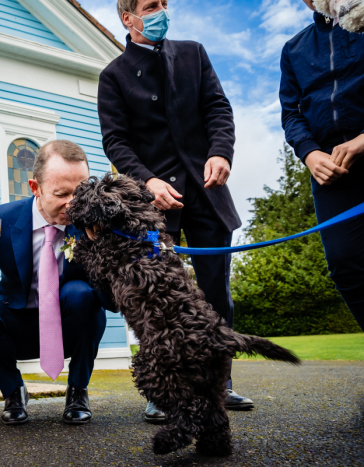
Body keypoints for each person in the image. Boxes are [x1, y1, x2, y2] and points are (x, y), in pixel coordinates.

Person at [98, 0, 253, 423]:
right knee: (155, 299)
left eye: (164, 3)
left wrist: (221, 152)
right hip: (151, 208)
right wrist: (147, 182)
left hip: (207, 192)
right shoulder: (112, 76)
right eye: (151, 5)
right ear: (128, 18)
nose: (161, 10)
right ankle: (163, 389)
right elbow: (117, 142)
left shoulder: (193, 52)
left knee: (215, 293)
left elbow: (218, 109)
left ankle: (220, 384)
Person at [0, 140, 114, 426]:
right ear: (35, 187)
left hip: (70, 325)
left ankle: (78, 391)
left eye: (81, 192)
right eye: (62, 194)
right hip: (18, 324)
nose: (73, 203)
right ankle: (14, 392)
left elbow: (111, 304)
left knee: (82, 294)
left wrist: (102, 249)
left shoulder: (93, 224)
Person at [280, 0, 364, 331]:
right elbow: (291, 113)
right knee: (345, 264)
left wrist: (361, 141)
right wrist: (310, 153)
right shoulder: (294, 49)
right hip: (331, 171)